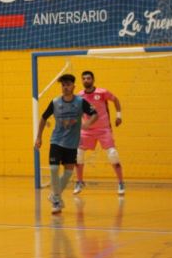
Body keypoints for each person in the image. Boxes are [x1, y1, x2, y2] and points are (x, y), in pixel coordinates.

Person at [35, 74, 97, 214]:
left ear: (73, 86)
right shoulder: (55, 102)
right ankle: (57, 201)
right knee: (53, 169)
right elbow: (44, 118)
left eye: (68, 85)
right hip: (56, 141)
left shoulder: (80, 102)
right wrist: (39, 137)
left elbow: (95, 114)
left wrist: (88, 123)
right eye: (63, 85)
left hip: (72, 143)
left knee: (68, 172)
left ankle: (55, 195)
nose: (65, 87)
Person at [74, 71, 125, 195]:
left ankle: (121, 183)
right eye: (84, 79)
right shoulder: (79, 96)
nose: (86, 80)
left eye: (89, 78)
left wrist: (119, 116)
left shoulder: (102, 92)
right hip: (87, 130)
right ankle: (80, 182)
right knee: (78, 154)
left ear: (93, 80)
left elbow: (115, 100)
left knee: (113, 154)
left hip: (104, 129)